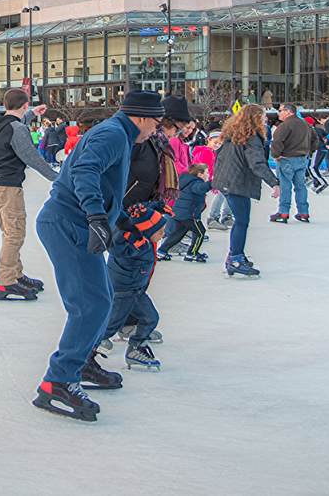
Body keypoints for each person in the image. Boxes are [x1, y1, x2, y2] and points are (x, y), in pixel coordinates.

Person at [31, 89, 163, 424]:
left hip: (74, 223)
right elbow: (85, 171)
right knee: (90, 305)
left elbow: (107, 189)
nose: (157, 129)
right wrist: (96, 217)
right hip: (67, 224)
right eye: (156, 122)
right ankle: (57, 382)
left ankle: (81, 361)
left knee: (102, 300)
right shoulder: (113, 134)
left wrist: (123, 223)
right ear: (141, 117)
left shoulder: (119, 135)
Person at [0, 90, 56, 302]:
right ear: (23, 105)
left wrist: (32, 112)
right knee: (14, 234)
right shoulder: (17, 129)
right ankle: (6, 280)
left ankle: (16, 274)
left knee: (10, 232)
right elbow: (32, 157)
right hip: (7, 186)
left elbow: (15, 122)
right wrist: (57, 178)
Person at [98, 203, 168, 373]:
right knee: (112, 325)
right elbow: (115, 247)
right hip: (123, 291)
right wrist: (130, 241)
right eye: (160, 232)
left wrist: (155, 206)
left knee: (150, 318)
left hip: (136, 289)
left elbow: (139, 215)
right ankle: (87, 349)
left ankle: (136, 349)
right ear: (146, 233)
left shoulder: (143, 239)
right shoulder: (132, 248)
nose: (163, 235)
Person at [214, 103, 279, 278]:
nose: (265, 120)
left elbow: (219, 157)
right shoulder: (251, 137)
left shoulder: (232, 134)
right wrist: (273, 182)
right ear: (255, 119)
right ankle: (235, 258)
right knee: (242, 221)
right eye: (263, 116)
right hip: (237, 183)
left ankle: (235, 255)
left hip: (229, 182)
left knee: (240, 221)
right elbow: (256, 163)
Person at [269, 102, 315, 224]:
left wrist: (276, 155)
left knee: (285, 186)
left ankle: (284, 212)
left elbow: (277, 141)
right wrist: (308, 151)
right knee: (300, 186)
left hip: (287, 159)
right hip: (301, 159)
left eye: (280, 111)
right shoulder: (305, 124)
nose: (278, 113)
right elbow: (315, 139)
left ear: (288, 112)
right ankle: (303, 212)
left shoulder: (284, 126)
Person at [158, 162, 210, 261]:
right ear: (199, 175)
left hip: (179, 212)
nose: (207, 175)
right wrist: (211, 183)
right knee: (200, 232)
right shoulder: (196, 183)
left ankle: (162, 251)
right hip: (190, 214)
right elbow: (200, 189)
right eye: (206, 173)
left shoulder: (187, 181)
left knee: (178, 233)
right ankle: (192, 253)